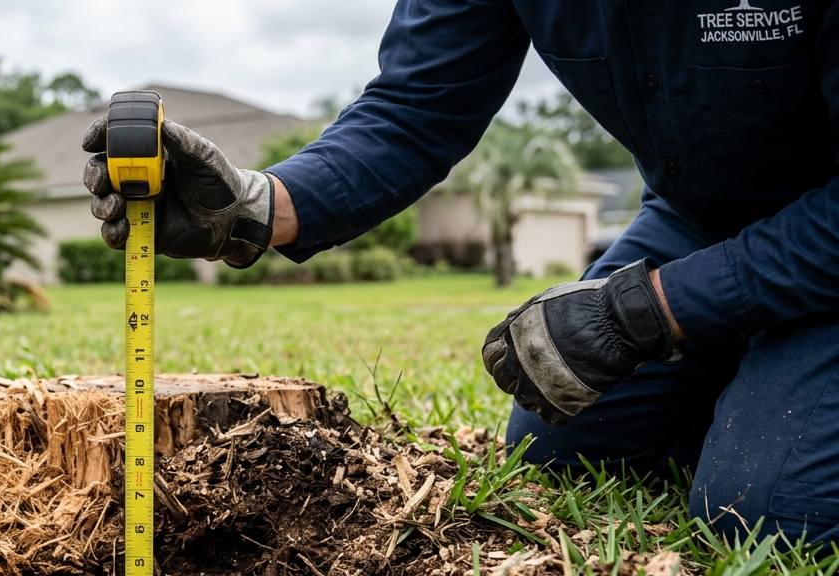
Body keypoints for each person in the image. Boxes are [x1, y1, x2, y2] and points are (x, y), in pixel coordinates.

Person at [81, 0, 839, 548]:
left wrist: (652, 310)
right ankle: (761, 367)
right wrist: (254, 207)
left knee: (767, 513)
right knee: (562, 452)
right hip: (702, 221)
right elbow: (415, 109)